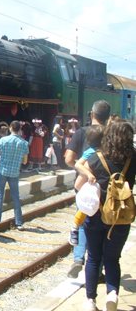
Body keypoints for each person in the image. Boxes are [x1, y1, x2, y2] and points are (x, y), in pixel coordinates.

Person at [76, 121, 135, 311]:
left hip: (95, 217)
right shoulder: (132, 158)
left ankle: (90, 301)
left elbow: (78, 185)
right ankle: (112, 294)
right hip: (121, 217)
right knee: (112, 259)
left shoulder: (96, 157)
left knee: (93, 257)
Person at [65, 99, 110, 279]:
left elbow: (69, 159)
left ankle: (77, 259)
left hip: (85, 187)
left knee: (83, 221)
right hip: (106, 187)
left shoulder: (81, 132)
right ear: (108, 116)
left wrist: (82, 169)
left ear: (91, 114)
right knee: (102, 227)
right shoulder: (112, 134)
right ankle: (97, 270)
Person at [0, 120, 29, 230]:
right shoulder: (24, 143)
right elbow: (25, 162)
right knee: (15, 196)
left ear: (10, 128)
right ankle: (19, 222)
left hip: (1, 171)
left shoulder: (3, 140)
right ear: (19, 129)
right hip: (14, 172)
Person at [68, 125, 104, 246]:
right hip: (91, 185)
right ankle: (75, 228)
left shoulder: (103, 151)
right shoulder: (90, 151)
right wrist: (89, 174)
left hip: (96, 186)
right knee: (85, 209)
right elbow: (78, 164)